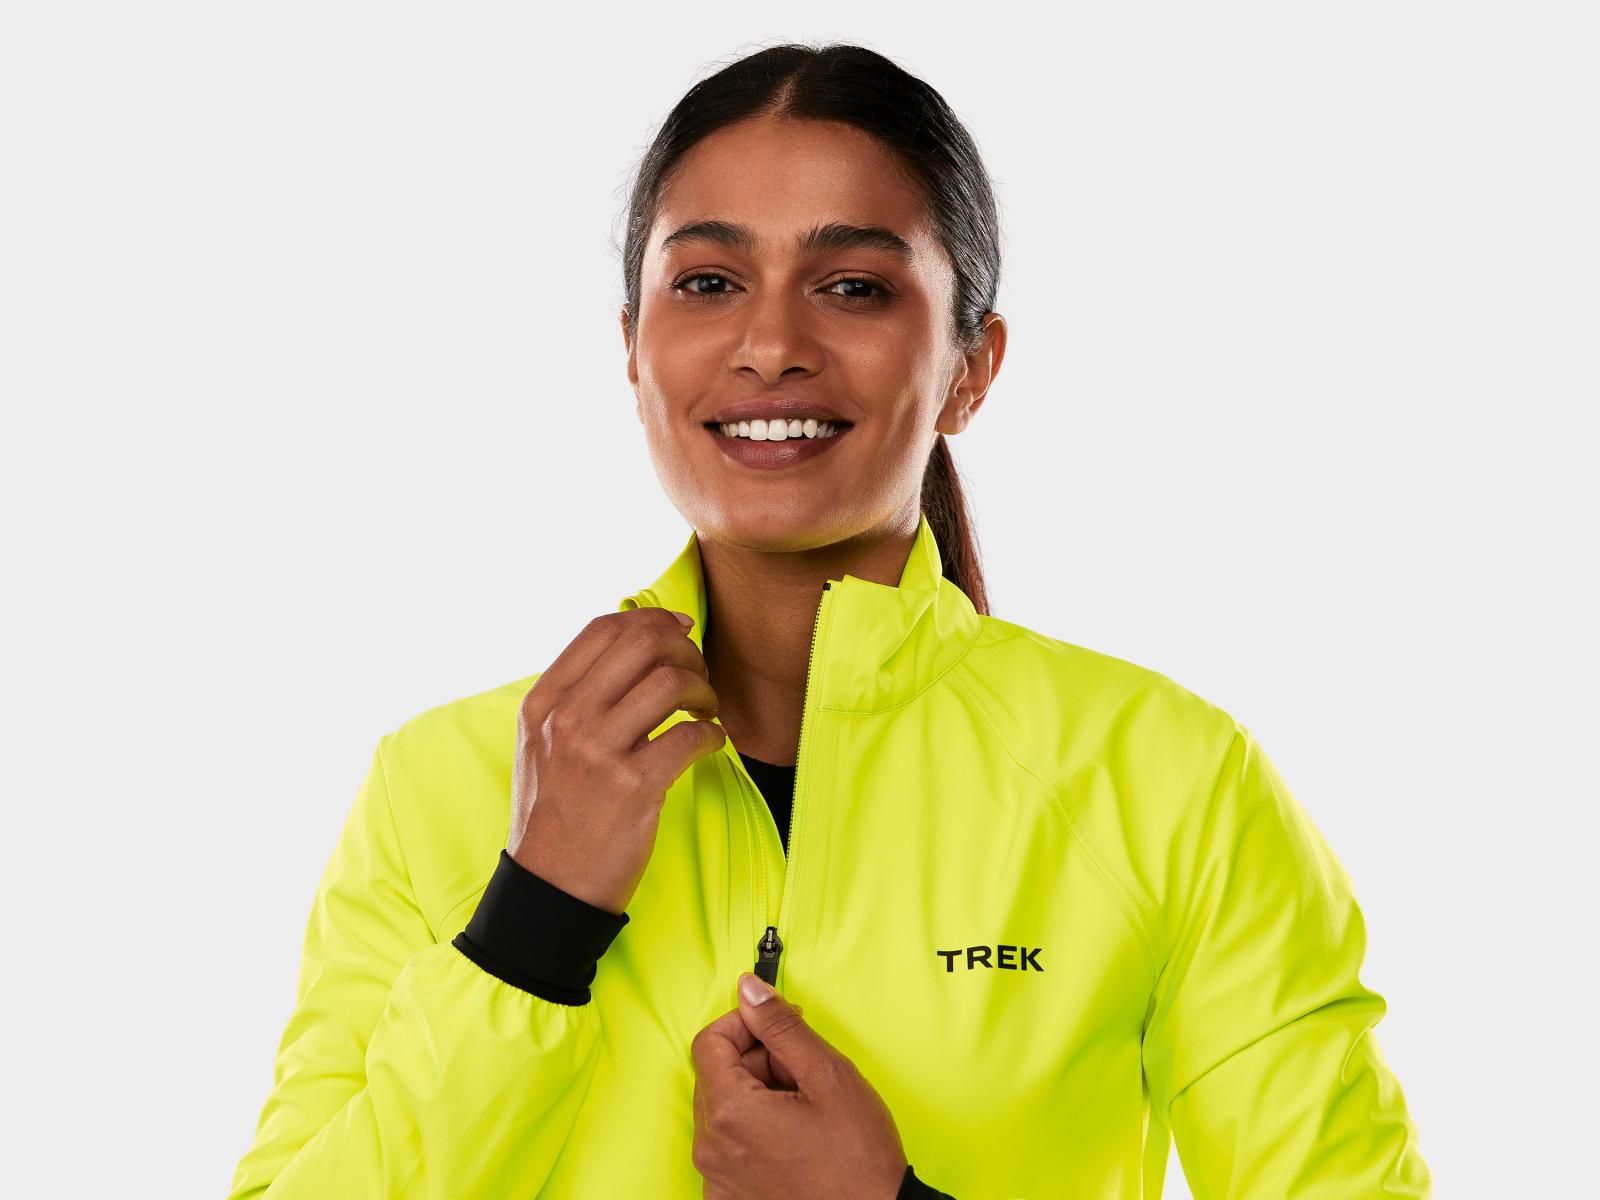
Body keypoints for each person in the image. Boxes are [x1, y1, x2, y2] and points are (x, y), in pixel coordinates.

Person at [227, 41, 1432, 1200]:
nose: (770, 347)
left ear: (969, 367)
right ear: (634, 353)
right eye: (708, 283)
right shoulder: (438, 785)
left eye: (852, 287)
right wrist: (530, 925)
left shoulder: (1168, 782)